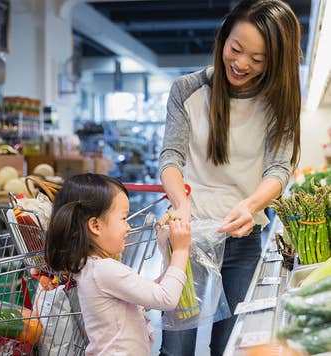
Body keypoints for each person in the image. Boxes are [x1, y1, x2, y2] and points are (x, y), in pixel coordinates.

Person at [158, 0, 301, 355]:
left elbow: (279, 168)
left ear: (275, 60)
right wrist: (181, 205)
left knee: (232, 344)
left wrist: (251, 205)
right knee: (177, 345)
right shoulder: (187, 90)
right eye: (235, 49)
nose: (241, 64)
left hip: (242, 236)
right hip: (187, 236)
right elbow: (171, 156)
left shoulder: (277, 101)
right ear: (223, 38)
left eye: (258, 58)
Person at [45, 173, 192, 355]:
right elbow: (166, 298)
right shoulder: (105, 270)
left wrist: (170, 257)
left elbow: (146, 295)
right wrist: (181, 252)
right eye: (123, 218)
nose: (128, 226)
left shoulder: (92, 267)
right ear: (95, 226)